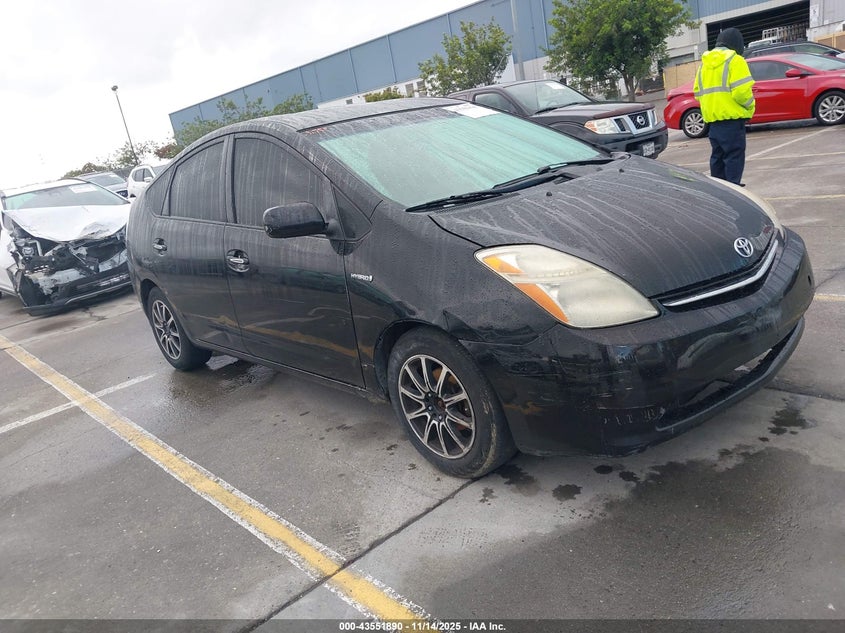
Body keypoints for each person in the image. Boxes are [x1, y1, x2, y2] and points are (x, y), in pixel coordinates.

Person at [693, 27, 755, 185]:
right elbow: (742, 93)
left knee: (717, 158)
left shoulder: (704, 65)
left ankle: (721, 192)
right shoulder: (735, 60)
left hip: (713, 123)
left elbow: (697, 93)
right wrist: (750, 107)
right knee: (734, 157)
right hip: (733, 121)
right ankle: (734, 190)